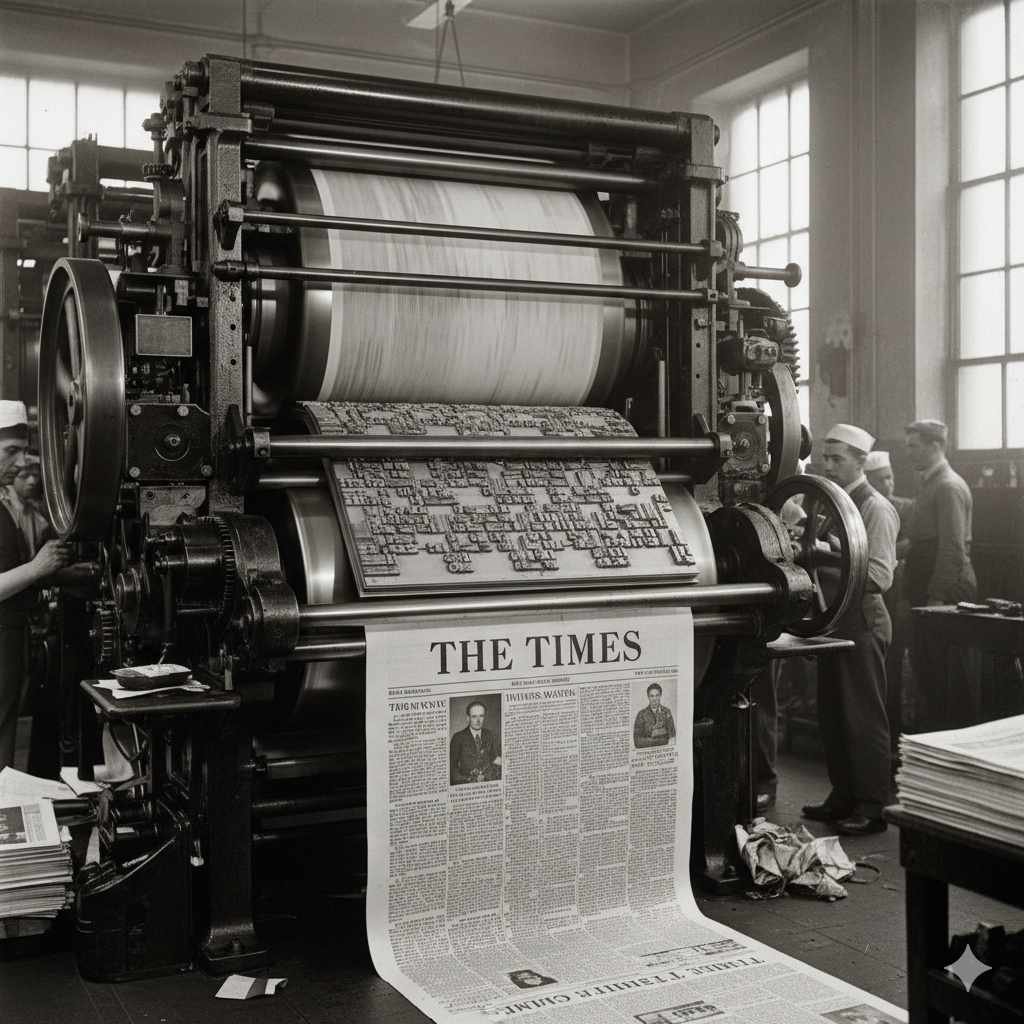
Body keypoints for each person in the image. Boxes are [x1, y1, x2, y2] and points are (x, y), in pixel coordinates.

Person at [803, 424, 898, 835]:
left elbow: (878, 575)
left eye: (837, 458)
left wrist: (823, 552)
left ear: (861, 461)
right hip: (835, 621)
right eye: (826, 457)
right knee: (834, 714)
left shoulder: (875, 508)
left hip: (862, 623)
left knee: (863, 716)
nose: (829, 464)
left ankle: (873, 805)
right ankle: (843, 794)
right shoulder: (833, 505)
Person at [0, 401, 72, 771]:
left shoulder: (8, 504)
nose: (18, 464)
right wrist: (37, 568)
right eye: (10, 452)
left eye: (24, 452)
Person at [904, 419, 977, 729]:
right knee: (930, 670)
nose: (909, 454)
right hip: (928, 585)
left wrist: (936, 597)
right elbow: (920, 541)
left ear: (935, 446)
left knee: (946, 672)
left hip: (944, 590)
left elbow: (952, 549)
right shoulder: (931, 483)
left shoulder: (947, 485)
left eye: (914, 447)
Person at [864, 450, 914, 751]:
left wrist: (887, 551)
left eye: (890, 477)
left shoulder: (904, 508)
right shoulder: (868, 507)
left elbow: (915, 544)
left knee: (894, 667)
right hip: (884, 592)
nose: (888, 484)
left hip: (899, 595)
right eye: (881, 479)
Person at [449, 700, 502, 784]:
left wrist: (509, 762)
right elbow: (452, 767)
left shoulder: (489, 734)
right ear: (468, 718)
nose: (478, 720)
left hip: (488, 782)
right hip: (467, 783)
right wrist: (468, 780)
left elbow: (493, 757)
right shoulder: (458, 737)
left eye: (481, 716)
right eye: (474, 716)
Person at [633, 682, 676, 748]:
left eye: (657, 695)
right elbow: (637, 742)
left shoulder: (667, 712)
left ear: (660, 696)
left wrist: (650, 739)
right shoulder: (641, 714)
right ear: (648, 697)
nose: (654, 699)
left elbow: (672, 736)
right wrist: (662, 740)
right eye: (652, 696)